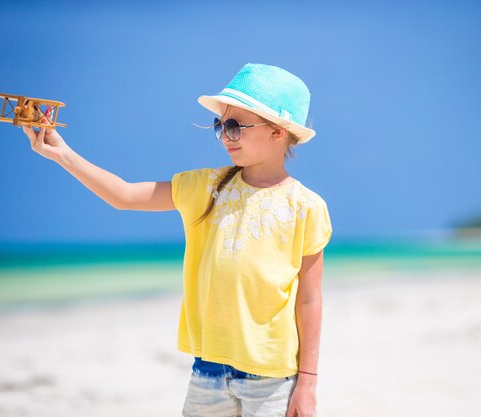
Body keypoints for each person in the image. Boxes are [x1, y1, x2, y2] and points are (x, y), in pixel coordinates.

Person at [23, 63, 332, 417]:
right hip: (208, 372)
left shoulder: (306, 207)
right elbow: (123, 195)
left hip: (273, 378)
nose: (225, 135)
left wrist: (307, 383)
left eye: (235, 125)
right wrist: (62, 153)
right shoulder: (205, 187)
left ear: (278, 133)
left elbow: (309, 300)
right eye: (221, 125)